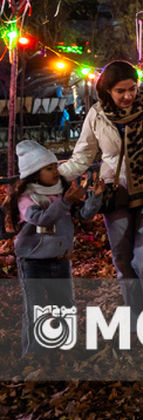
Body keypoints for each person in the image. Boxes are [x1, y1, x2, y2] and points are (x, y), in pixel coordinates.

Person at [59, 61, 143, 314]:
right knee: (123, 261)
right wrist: (50, 178)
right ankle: (136, 316)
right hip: (114, 194)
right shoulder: (97, 114)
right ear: (107, 90)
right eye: (120, 91)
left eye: (132, 89)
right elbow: (82, 157)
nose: (128, 96)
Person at [7, 141, 86, 355]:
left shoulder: (61, 193)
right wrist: (66, 203)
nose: (55, 172)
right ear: (34, 173)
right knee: (35, 307)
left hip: (59, 258)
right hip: (33, 261)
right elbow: (41, 219)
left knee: (65, 305)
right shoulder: (27, 198)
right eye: (49, 168)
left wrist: (94, 198)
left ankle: (65, 346)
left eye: (55, 167)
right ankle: (33, 354)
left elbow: (82, 214)